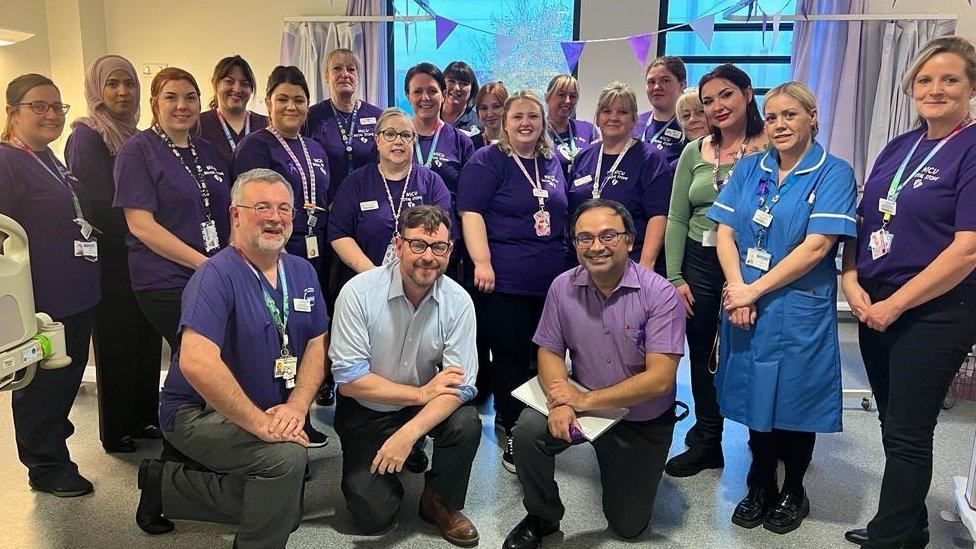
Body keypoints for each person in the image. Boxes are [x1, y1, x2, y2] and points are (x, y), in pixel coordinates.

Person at [135, 168, 328, 548]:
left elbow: (317, 344)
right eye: (261, 206)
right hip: (198, 412)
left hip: (272, 405)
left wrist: (297, 406)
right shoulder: (215, 275)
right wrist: (260, 424)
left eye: (284, 208)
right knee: (287, 462)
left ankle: (166, 487)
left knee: (287, 503)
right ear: (235, 214)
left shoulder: (302, 271)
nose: (275, 217)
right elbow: (196, 362)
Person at [841, 36, 976, 549]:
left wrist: (896, 304)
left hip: (935, 310)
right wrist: (851, 279)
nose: (935, 89)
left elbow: (967, 250)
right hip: (876, 299)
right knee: (893, 424)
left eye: (949, 79)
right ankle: (906, 524)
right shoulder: (901, 146)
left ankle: (892, 537)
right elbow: (864, 220)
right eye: (925, 80)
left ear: (971, 87)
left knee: (908, 431)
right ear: (911, 87)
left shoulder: (972, 148)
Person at [707, 81, 857, 535]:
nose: (779, 125)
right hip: (746, 302)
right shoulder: (751, 168)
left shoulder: (833, 172)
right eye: (771, 117)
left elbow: (817, 248)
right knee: (755, 394)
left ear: (812, 116)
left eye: (789, 115)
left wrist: (754, 291)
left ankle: (793, 487)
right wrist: (737, 288)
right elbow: (726, 233)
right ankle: (758, 483)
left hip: (797, 307)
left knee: (794, 399)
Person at [503, 199, 685, 549]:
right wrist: (561, 401)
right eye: (584, 238)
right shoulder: (562, 286)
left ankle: (621, 466)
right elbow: (550, 350)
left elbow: (660, 379)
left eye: (608, 236)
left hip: (640, 418)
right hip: (581, 404)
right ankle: (542, 515)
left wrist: (584, 400)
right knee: (527, 431)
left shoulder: (660, 294)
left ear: (630, 240)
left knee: (628, 526)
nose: (596, 247)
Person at [329, 205, 481, 546]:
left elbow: (464, 385)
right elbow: (350, 380)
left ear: (450, 250)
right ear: (398, 246)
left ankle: (437, 500)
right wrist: (421, 395)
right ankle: (389, 465)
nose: (428, 257)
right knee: (373, 516)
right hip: (369, 408)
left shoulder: (458, 302)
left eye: (438, 247)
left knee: (467, 422)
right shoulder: (358, 292)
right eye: (417, 245)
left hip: (418, 405)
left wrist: (408, 432)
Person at [663, 63, 767, 478]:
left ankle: (769, 439)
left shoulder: (771, 146)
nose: (717, 106)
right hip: (699, 261)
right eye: (707, 101)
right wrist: (675, 277)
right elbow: (675, 216)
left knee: (753, 352)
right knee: (703, 350)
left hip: (754, 261)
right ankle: (708, 439)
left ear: (747, 93)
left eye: (726, 94)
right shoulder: (695, 151)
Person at [457, 91, 569, 472]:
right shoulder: (487, 161)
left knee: (546, 357)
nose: (525, 123)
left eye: (533, 116)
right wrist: (482, 262)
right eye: (517, 116)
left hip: (552, 283)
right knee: (510, 358)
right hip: (503, 281)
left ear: (543, 123)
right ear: (504, 123)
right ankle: (512, 428)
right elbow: (470, 213)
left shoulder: (552, 161)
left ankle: (539, 427)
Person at [0, 73, 100, 497]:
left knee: (63, 380)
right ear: (12, 113)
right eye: (38, 106)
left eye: (57, 106)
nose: (50, 114)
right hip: (38, 301)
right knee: (40, 385)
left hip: (74, 296)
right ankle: (46, 466)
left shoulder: (50, 159)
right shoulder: (6, 161)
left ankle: (53, 438)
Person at [65, 55, 163, 454]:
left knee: (145, 340)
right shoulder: (87, 136)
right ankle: (117, 428)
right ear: (98, 90)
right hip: (110, 261)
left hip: (143, 257)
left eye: (130, 84)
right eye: (113, 84)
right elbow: (99, 203)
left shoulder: (136, 136)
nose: (123, 92)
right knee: (116, 344)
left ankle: (144, 417)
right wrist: (148, 221)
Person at [232, 65, 332, 447]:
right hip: (273, 256)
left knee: (306, 336)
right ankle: (273, 421)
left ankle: (300, 415)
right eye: (283, 99)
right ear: (269, 103)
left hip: (313, 256)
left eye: (300, 100)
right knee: (276, 336)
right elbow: (247, 207)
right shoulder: (257, 146)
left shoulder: (316, 147)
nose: (292, 106)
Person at [114, 67, 232, 350]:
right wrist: (203, 263)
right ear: (155, 103)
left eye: (190, 98)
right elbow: (141, 225)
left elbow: (227, 209)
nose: (182, 106)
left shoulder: (206, 149)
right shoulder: (137, 150)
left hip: (210, 272)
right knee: (197, 356)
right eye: (171, 98)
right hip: (166, 279)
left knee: (217, 355)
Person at [328, 107, 453, 291]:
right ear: (377, 140)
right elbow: (339, 233)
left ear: (414, 140)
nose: (398, 141)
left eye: (405, 135)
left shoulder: (432, 182)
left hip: (420, 284)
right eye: (390, 134)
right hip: (367, 283)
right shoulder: (355, 182)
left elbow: (445, 235)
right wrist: (374, 276)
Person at [567, 81, 672, 275]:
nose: (613, 118)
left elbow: (658, 216)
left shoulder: (650, 159)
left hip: (629, 265)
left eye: (622, 112)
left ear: (634, 120)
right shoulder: (584, 157)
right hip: (583, 263)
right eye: (607, 111)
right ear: (597, 118)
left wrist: (646, 265)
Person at [304, 48, 384, 201]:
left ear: (357, 76)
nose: (345, 74)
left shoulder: (378, 116)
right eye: (337, 68)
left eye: (351, 69)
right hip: (327, 205)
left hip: (369, 203)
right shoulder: (311, 117)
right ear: (327, 77)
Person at [405, 62, 474, 201]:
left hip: (447, 220)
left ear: (443, 95)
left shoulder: (461, 142)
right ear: (408, 96)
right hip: (405, 221)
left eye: (432, 91)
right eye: (418, 91)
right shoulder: (395, 140)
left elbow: (470, 200)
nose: (425, 97)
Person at [197, 55, 268, 167]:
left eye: (244, 84)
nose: (237, 89)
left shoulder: (266, 125)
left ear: (251, 89)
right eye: (229, 81)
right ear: (215, 84)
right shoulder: (198, 124)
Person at [634, 56, 689, 164]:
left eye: (665, 81)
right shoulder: (635, 122)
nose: (656, 87)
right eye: (651, 82)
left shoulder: (691, 125)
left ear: (682, 85)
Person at [544, 75, 599, 177]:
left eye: (573, 96)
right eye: (561, 94)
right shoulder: (538, 132)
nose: (568, 101)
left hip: (583, 191)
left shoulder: (588, 130)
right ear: (547, 97)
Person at [441, 60, 481, 137]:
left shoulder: (479, 124)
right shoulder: (430, 116)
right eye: (451, 81)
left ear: (472, 89)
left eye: (464, 83)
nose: (456, 88)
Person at [674, 87, 709, 169]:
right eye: (686, 115)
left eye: (700, 112)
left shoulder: (735, 155)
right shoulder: (676, 167)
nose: (692, 119)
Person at [471, 81, 508, 150]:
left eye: (496, 106)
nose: (490, 114)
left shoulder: (519, 143)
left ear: (507, 109)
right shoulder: (470, 145)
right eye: (484, 108)